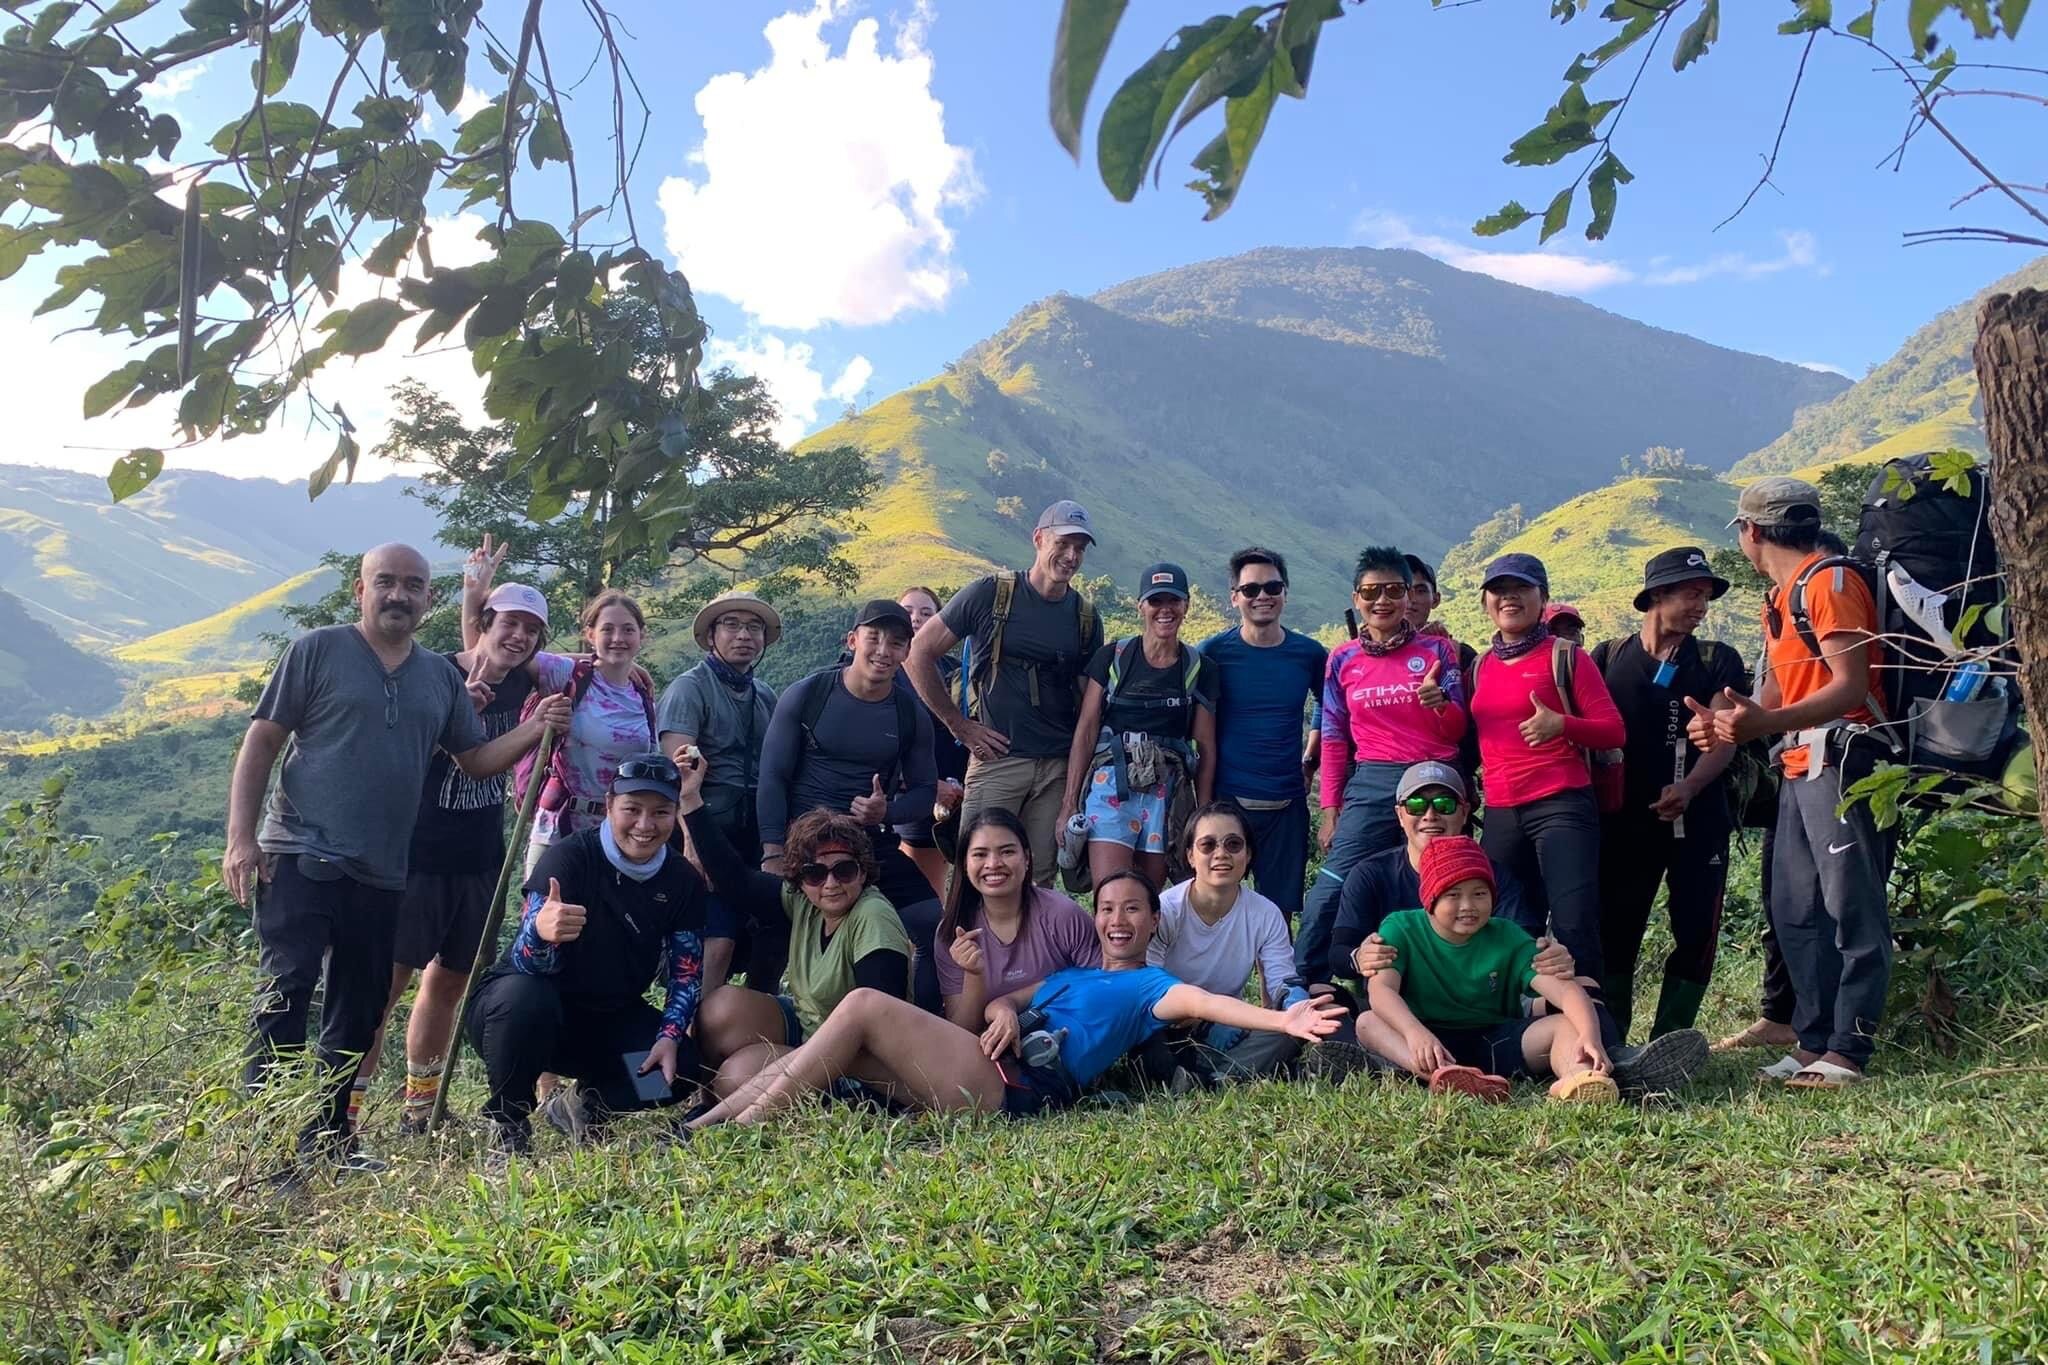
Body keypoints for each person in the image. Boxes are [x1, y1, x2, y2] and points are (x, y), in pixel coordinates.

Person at [223, 544, 560, 1166]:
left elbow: (476, 759)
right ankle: (261, 1147)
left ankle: (330, 1142)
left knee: (357, 1006)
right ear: (361, 590)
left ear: (428, 599)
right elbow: (263, 739)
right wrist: (240, 838)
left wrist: (538, 727)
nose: (398, 594)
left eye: (412, 585)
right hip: (300, 851)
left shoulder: (437, 675)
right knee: (287, 991)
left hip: (384, 869)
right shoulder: (318, 649)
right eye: (386, 582)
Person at [686, 868, 1346, 1128]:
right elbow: (1004, 1000)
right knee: (807, 1055)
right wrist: (1003, 1009)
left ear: (1154, 923)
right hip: (979, 1060)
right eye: (1107, 907)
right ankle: (700, 1127)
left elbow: (1204, 1002)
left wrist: (1279, 1015)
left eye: (1133, 910)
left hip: (1015, 1086)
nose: (1117, 919)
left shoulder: (1149, 985)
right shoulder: (1070, 976)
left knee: (860, 1004)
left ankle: (730, 1130)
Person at [1690, 479, 1894, 1089]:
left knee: (1850, 904)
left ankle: (1849, 1049)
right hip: (1800, 764)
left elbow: (1850, 687)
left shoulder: (1830, 584)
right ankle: (1812, 1042)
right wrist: (1726, 726)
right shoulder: (1782, 599)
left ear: (1750, 533)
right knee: (1795, 908)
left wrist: (1766, 721)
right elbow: (1773, 697)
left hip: (1845, 761)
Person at [360, 581, 569, 1136]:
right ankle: (342, 1116)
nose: (519, 637)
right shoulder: (437, 675)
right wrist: (533, 724)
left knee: (448, 984)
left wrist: (619, 663)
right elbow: (405, 753)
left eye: (531, 630)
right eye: (509, 623)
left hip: (481, 860)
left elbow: (576, 659)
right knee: (384, 988)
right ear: (482, 622)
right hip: (418, 857)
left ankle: (420, 1110)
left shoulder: (525, 677)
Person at [465, 754, 707, 1157]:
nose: (645, 826)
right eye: (632, 810)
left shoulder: (682, 880)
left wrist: (668, 1037)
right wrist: (543, 934)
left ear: (675, 813)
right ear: (610, 805)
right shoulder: (570, 858)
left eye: (660, 812)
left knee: (677, 1072)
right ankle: (508, 1123)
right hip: (523, 1020)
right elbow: (526, 962)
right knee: (524, 998)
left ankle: (586, 1104)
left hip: (605, 1021)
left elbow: (686, 972)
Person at [757, 599, 943, 1011]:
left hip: (870, 846)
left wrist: (886, 812)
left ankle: (927, 1029)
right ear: (853, 639)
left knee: (935, 928)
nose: (883, 650)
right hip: (805, 849)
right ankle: (768, 1026)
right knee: (768, 935)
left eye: (896, 643)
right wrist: (772, 851)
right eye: (874, 638)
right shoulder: (809, 694)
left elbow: (925, 791)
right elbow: (772, 776)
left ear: (907, 652)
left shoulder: (909, 713)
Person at [1592, 548, 1746, 1042]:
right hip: (1624, 823)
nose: (1701, 604)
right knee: (1616, 930)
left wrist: (1690, 786)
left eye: (1706, 595)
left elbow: (1724, 736)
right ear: (1657, 595)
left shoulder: (1717, 659)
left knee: (1697, 928)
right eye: (1690, 593)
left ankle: (1671, 1040)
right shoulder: (1608, 658)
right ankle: (1612, 1039)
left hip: (1699, 821)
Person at [907, 500, 1104, 886]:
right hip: (998, 760)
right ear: (1038, 539)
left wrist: (1071, 797)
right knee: (977, 874)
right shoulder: (991, 594)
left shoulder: (1084, 617)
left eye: (1080, 548)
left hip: (1056, 767)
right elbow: (918, 654)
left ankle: (1033, 950)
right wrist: (960, 726)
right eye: (1063, 543)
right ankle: (966, 949)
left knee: (1039, 881)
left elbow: (1088, 714)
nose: (1071, 556)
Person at [1298, 547, 1466, 982]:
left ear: (1409, 594)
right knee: (1332, 887)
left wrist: (1440, 705)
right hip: (1373, 779)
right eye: (1372, 591)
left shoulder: (1438, 651)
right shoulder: (1342, 659)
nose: (1383, 600)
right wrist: (1331, 811)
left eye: (1394, 589)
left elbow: (1457, 730)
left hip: (1434, 778)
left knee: (1438, 885)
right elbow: (1334, 737)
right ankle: (1305, 988)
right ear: (1357, 598)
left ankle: (1440, 990)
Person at [685, 780, 913, 1099]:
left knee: (735, 1078)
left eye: (844, 870)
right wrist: (691, 799)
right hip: (805, 1027)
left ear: (863, 872)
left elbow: (880, 1032)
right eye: (815, 874)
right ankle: (699, 1100)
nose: (830, 883)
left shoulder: (873, 917)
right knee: (719, 1008)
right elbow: (736, 881)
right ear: (799, 879)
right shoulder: (804, 901)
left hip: (852, 1059)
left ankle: (732, 1106)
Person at [1353, 837, 1619, 1103]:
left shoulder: (1507, 935)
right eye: (1453, 895)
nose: (1468, 906)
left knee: (1565, 1024)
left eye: (1479, 894)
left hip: (1494, 1039)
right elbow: (1382, 990)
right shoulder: (1400, 928)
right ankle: (1443, 1075)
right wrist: (1414, 1033)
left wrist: (1589, 1035)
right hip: (1425, 1038)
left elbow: (1565, 991)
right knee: (1368, 1022)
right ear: (1430, 900)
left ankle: (1579, 1079)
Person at [1468, 552, 1624, 994]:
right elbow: (1464, 735)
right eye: (1499, 590)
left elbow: (1614, 730)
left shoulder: (1566, 657)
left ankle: (1597, 1035)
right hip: (1500, 810)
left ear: (1543, 598)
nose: (1509, 598)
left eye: (1521, 588)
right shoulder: (1480, 667)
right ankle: (1526, 1027)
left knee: (1574, 922)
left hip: (1561, 803)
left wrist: (1562, 724)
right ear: (1485, 603)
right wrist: (1438, 706)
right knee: (1506, 922)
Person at [1059, 562, 1218, 889]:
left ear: (1186, 605)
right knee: (1112, 892)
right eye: (1156, 601)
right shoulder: (1112, 657)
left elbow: (1205, 747)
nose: (1165, 610)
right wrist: (1069, 802)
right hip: (1110, 783)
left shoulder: (1200, 668)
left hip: (1167, 791)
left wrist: (1203, 814)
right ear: (1141, 605)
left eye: (1173, 601)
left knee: (1150, 899)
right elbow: (1086, 730)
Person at [656, 591, 782, 992]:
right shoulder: (689, 689)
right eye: (731, 625)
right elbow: (674, 774)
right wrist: (692, 847)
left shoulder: (764, 694)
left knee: (772, 930)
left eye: (754, 627)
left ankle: (754, 1027)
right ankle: (694, 1036)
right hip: (707, 827)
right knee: (716, 939)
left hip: (754, 833)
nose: (743, 635)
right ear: (711, 636)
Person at [1198, 547, 1328, 921]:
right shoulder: (1214, 653)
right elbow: (1198, 727)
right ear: (1235, 597)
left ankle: (1276, 982)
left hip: (1287, 806)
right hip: (1229, 802)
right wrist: (1204, 805)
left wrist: (1311, 756)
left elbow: (1329, 704)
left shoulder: (1308, 653)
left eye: (1272, 587)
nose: (1262, 597)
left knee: (1277, 916)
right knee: (1217, 911)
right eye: (1251, 589)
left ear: (1285, 592)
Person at [1143, 802, 1309, 1081]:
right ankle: (1243, 1072)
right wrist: (1202, 1020)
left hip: (1232, 1026)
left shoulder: (1266, 914)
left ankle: (1209, 1079)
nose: (1221, 854)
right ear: (1190, 856)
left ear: (1248, 854)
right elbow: (1149, 992)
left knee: (1290, 1029)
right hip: (1171, 1025)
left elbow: (1282, 984)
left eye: (1233, 844)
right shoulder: (1165, 911)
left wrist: (1299, 1007)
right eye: (1208, 845)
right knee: (1149, 1045)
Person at [936, 808, 1100, 1035]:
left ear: (1027, 858)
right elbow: (961, 1031)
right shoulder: (952, 931)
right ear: (964, 864)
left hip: (1068, 1040)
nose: (993, 864)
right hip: (988, 1055)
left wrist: (1009, 1003)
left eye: (1006, 852)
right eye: (980, 854)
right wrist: (974, 975)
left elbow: (1102, 988)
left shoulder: (1063, 914)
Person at [896, 586, 968, 893]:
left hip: (959, 796)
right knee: (919, 890)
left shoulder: (953, 670)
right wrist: (928, 786)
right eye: (908, 611)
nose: (916, 618)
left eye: (927, 613)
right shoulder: (884, 671)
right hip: (911, 798)